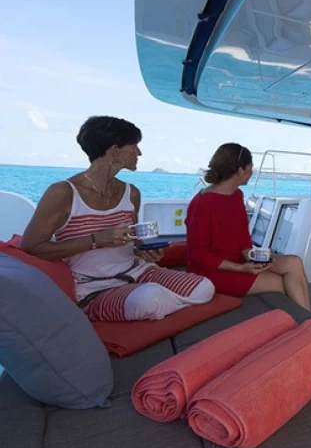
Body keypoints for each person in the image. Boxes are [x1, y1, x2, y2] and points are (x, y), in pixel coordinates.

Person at [20, 116, 214, 322]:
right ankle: (144, 302)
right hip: (94, 287)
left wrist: (143, 249)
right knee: (149, 298)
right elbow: (32, 247)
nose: (139, 153)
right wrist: (96, 240)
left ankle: (153, 302)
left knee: (204, 287)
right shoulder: (63, 193)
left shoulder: (131, 193)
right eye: (134, 146)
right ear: (115, 151)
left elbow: (133, 239)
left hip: (138, 271)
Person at [185, 143, 311, 311]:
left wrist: (255, 258)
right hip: (211, 272)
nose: (252, 172)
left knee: (294, 263)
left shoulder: (237, 195)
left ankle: (310, 321)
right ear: (240, 171)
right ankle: (308, 322)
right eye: (251, 167)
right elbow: (198, 254)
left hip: (240, 262)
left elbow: (243, 239)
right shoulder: (202, 203)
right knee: (284, 283)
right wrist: (240, 268)